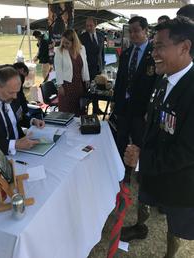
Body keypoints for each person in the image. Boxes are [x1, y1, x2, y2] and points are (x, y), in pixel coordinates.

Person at [121, 17, 194, 257]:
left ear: (184, 47)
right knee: (146, 200)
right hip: (154, 171)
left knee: (177, 231)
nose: (153, 53)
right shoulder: (164, 80)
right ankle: (140, 226)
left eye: (160, 46)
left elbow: (187, 152)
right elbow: (152, 122)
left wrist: (144, 159)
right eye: (153, 46)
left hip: (180, 184)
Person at [113, 16, 157, 183]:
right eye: (130, 31)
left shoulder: (153, 54)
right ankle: (122, 173)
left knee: (140, 142)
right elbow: (120, 81)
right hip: (123, 108)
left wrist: (150, 110)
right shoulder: (125, 54)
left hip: (142, 110)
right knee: (121, 140)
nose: (133, 35)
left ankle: (140, 173)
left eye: (136, 31)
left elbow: (156, 85)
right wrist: (115, 103)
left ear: (146, 31)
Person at [0, 67, 45, 155]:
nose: (15, 97)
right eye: (11, 92)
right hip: (1, 156)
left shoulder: (13, 95)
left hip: (24, 149)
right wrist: (15, 144)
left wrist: (32, 121)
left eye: (17, 92)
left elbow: (18, 117)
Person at [54, 29, 89, 116]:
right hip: (66, 86)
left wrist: (87, 79)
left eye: (67, 43)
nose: (64, 45)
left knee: (79, 111)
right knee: (66, 112)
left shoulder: (82, 49)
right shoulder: (59, 51)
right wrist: (60, 86)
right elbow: (58, 69)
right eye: (63, 42)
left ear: (74, 42)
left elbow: (85, 65)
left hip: (79, 85)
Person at [80, 17, 105, 114]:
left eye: (90, 25)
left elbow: (102, 52)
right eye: (87, 26)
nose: (88, 28)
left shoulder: (101, 36)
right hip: (87, 68)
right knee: (86, 90)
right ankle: (84, 110)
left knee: (97, 89)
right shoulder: (82, 37)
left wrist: (102, 66)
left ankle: (96, 108)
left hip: (98, 67)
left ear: (95, 25)